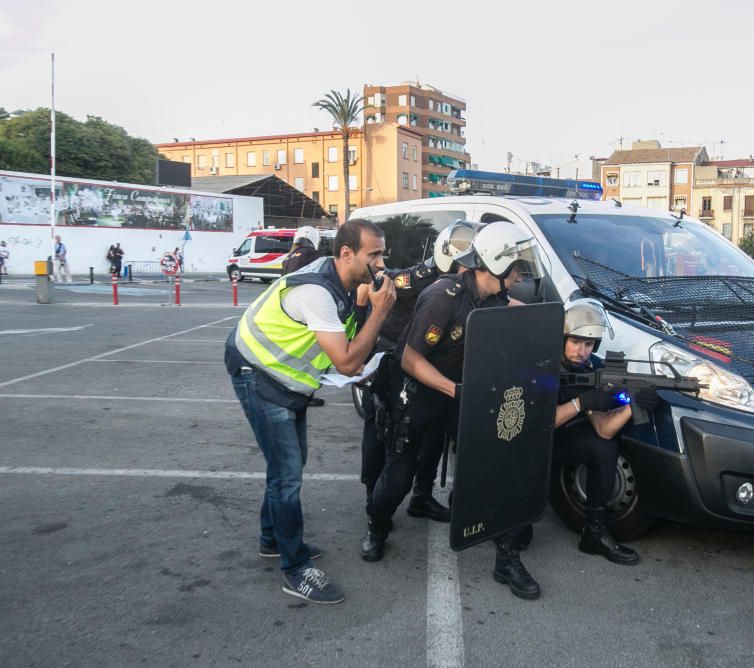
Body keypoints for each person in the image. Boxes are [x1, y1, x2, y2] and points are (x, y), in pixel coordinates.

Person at [361, 223, 546, 600]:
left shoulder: (493, 297)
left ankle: (505, 555)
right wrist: (456, 391)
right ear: (492, 266)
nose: (517, 278)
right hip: (420, 390)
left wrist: (552, 323)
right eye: (513, 270)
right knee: (399, 474)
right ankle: (377, 525)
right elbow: (411, 359)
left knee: (495, 461)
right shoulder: (442, 298)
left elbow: (514, 310)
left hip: (461, 392)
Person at [224, 219, 396, 604]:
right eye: (375, 254)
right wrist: (380, 313)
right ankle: (295, 568)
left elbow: (347, 351)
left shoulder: (348, 286)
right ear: (347, 253)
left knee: (290, 463)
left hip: (286, 383)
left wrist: (367, 308)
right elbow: (349, 363)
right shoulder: (317, 292)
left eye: (383, 254)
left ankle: (272, 538)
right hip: (258, 374)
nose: (381, 263)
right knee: (287, 475)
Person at [357, 220, 483, 524]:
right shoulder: (420, 280)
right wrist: (361, 339)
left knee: (434, 439)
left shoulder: (470, 289)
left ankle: (422, 497)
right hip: (392, 360)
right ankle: (374, 503)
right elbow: (367, 288)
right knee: (381, 432)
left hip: (435, 368)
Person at [551, 300, 657, 567]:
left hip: (566, 440)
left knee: (603, 447)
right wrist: (582, 403)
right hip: (534, 444)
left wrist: (634, 405)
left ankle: (594, 533)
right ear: (563, 338)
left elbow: (603, 430)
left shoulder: (590, 369)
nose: (582, 351)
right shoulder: (546, 365)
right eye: (576, 342)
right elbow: (544, 421)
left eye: (588, 345)